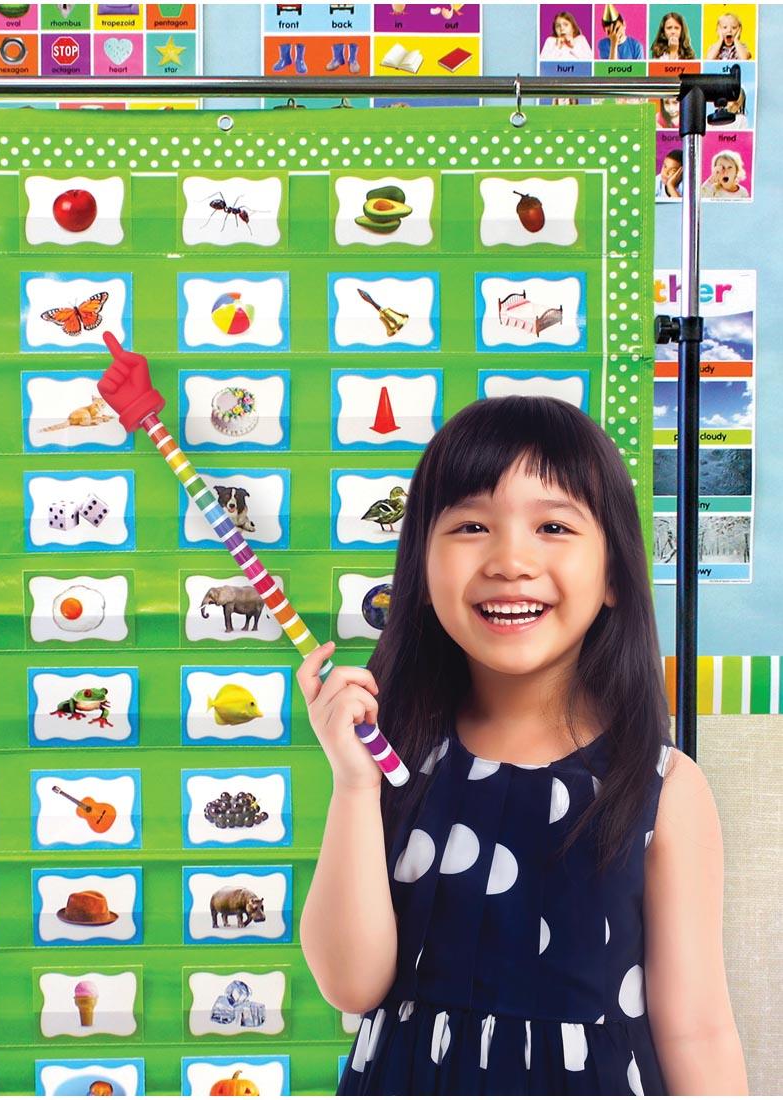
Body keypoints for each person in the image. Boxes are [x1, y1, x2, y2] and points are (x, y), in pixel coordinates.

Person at [297, 396, 748, 1094]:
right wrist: (354, 787)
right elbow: (352, 987)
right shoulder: (392, 762)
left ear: (614, 579)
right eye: (472, 525)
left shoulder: (662, 786)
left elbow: (697, 1028)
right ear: (420, 570)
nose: (511, 560)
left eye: (553, 526)